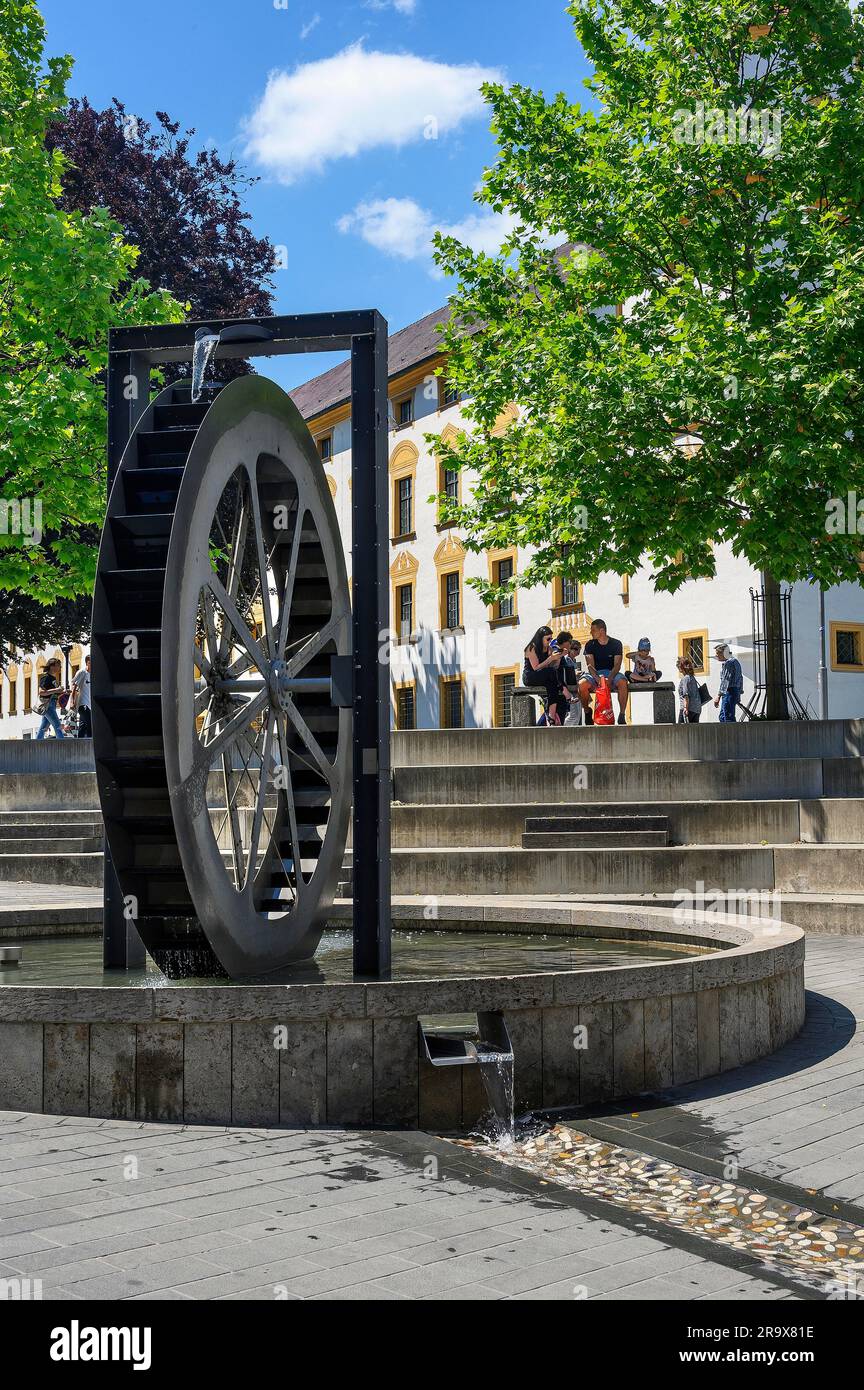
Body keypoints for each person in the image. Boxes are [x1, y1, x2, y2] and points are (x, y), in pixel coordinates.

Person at [579, 618, 629, 725]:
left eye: (593, 630)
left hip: (612, 673)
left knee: (623, 682)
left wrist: (609, 679)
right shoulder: (590, 645)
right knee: (581, 684)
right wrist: (599, 680)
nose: (590, 632)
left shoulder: (616, 643)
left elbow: (617, 665)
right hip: (595, 673)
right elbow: (590, 666)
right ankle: (587, 711)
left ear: (601, 631)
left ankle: (622, 714)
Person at [35, 658, 69, 740]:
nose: (60, 667)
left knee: (43, 727)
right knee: (58, 726)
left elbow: (54, 692)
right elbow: (41, 692)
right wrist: (57, 690)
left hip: (52, 704)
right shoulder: (45, 677)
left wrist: (64, 691)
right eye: (58, 666)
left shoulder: (53, 678)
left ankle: (36, 743)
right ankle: (62, 746)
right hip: (47, 705)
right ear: (51, 666)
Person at [714, 642, 744, 722]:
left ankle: (730, 734)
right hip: (734, 691)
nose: (716, 656)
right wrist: (739, 692)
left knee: (727, 717)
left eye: (717, 653)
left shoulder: (729, 663)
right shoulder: (735, 661)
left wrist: (718, 696)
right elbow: (741, 678)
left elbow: (725, 680)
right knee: (724, 716)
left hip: (729, 691)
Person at [676, 656, 702, 723]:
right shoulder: (692, 677)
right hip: (697, 709)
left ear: (682, 667)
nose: (678, 668)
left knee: (681, 731)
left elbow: (686, 695)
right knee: (693, 732)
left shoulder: (685, 678)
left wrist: (685, 708)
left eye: (678, 666)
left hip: (688, 708)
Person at [72, 654, 92, 738]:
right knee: (90, 725)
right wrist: (72, 702)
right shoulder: (82, 672)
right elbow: (74, 686)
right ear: (88, 662)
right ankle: (91, 743)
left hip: (90, 705)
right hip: (83, 704)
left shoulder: (94, 674)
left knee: (83, 726)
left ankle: (79, 742)